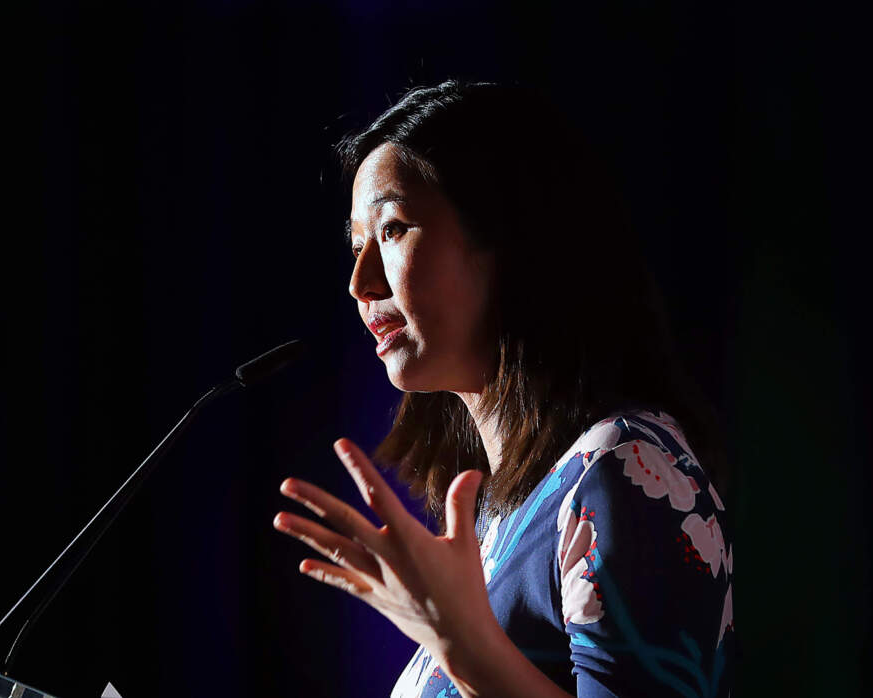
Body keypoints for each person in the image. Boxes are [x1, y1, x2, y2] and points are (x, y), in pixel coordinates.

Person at [273, 80, 736, 697]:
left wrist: (461, 647)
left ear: (509, 237)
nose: (360, 283)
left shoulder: (626, 468)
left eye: (392, 230)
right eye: (356, 247)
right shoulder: (502, 514)